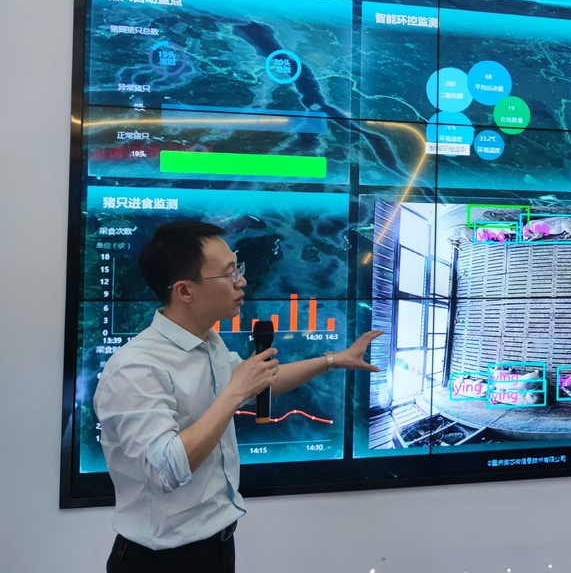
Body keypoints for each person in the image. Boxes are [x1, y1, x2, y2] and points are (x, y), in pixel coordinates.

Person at [94, 220, 383, 573]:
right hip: (160, 561)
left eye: (239, 268)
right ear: (185, 291)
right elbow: (166, 469)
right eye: (229, 272)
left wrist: (334, 360)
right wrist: (235, 392)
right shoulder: (136, 367)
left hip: (217, 547)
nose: (241, 280)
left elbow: (260, 381)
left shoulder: (209, 343)